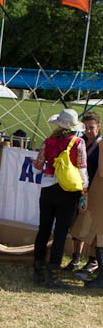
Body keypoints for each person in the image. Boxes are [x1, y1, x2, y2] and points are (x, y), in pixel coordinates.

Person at [32, 108, 88, 289]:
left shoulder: (48, 142)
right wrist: (84, 194)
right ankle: (53, 275)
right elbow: (82, 170)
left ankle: (38, 269)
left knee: (44, 229)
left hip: (48, 189)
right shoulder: (78, 142)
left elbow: (37, 167)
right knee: (61, 233)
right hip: (68, 191)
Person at [66, 111, 101, 275]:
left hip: (95, 191)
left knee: (93, 225)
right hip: (78, 189)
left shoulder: (101, 145)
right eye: (86, 128)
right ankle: (76, 257)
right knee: (76, 223)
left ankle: (93, 260)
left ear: (99, 127)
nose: (88, 131)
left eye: (91, 128)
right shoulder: (80, 142)